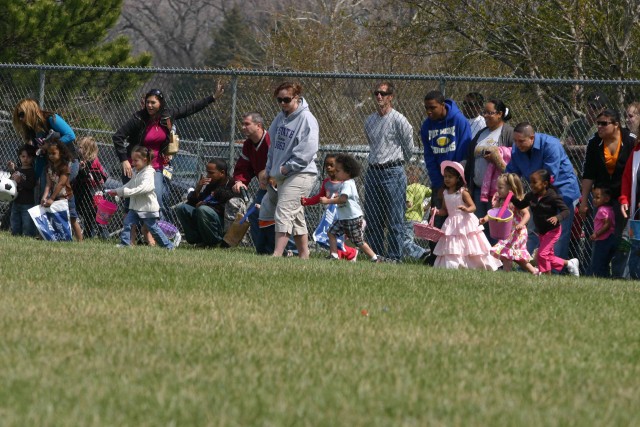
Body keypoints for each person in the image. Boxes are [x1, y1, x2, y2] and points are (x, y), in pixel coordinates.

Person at [112, 83, 224, 223]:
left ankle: (156, 235)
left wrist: (212, 98)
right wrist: (124, 160)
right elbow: (118, 136)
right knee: (131, 202)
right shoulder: (139, 118)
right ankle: (129, 237)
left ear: (161, 103)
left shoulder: (167, 116)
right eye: (147, 102)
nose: (149, 106)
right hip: (135, 165)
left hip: (156, 165)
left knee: (157, 199)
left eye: (153, 102)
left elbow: (190, 108)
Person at [506, 122, 580, 260]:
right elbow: (511, 173)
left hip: (562, 192)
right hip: (538, 192)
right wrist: (505, 191)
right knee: (534, 231)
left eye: (521, 141)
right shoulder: (517, 149)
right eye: (515, 141)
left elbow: (549, 176)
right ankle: (525, 266)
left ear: (532, 138)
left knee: (558, 233)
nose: (517, 144)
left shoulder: (551, 145)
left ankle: (555, 270)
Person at [264, 82, 319, 259]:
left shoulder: (307, 119)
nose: (282, 104)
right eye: (279, 100)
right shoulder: (279, 118)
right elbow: (272, 146)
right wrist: (269, 170)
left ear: (296, 97)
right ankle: (304, 255)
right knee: (296, 216)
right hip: (282, 174)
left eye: (286, 100)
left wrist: (285, 168)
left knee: (284, 211)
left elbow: (307, 152)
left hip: (301, 173)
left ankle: (277, 254)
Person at [579, 110, 634, 278]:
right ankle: (597, 273)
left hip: (623, 198)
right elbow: (588, 174)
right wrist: (583, 201)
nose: (599, 127)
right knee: (600, 237)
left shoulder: (630, 141)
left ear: (616, 124)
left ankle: (620, 275)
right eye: (598, 123)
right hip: (601, 199)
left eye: (604, 123)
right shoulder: (594, 142)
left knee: (622, 238)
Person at [363, 81, 415, 262]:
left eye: (383, 94)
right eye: (376, 93)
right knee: (373, 218)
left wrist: (397, 162)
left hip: (393, 171)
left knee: (394, 220)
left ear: (391, 97)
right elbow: (373, 144)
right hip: (373, 171)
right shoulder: (369, 120)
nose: (379, 96)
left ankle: (394, 257)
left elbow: (409, 148)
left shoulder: (399, 120)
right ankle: (377, 255)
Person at [432, 161, 501, 270]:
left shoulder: (463, 192)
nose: (447, 179)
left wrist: (467, 209)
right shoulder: (445, 193)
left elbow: (473, 207)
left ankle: (473, 264)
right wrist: (437, 212)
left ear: (458, 178)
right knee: (454, 245)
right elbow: (445, 210)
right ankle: (454, 264)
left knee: (470, 244)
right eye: (445, 176)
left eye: (450, 177)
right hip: (451, 223)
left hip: (465, 222)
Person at [511, 169, 580, 276]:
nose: (531, 185)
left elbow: (566, 210)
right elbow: (520, 205)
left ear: (545, 184)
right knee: (548, 257)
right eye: (530, 182)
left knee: (542, 254)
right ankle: (570, 263)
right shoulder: (531, 196)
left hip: (553, 231)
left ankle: (547, 276)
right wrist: (512, 198)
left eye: (535, 182)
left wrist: (557, 218)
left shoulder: (552, 196)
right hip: (542, 232)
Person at [107, 146, 174, 250]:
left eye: (135, 160)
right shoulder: (136, 172)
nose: (132, 163)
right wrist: (117, 191)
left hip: (147, 207)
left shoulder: (149, 172)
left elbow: (145, 188)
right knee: (127, 222)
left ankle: (168, 246)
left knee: (153, 228)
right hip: (135, 207)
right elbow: (129, 185)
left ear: (145, 160)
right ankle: (125, 244)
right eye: (132, 160)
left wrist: (127, 193)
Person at [323, 154, 386, 263]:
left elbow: (343, 199)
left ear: (347, 172)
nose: (335, 172)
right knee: (331, 232)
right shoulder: (345, 184)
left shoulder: (348, 184)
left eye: (338, 171)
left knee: (358, 241)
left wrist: (328, 201)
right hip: (344, 218)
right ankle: (333, 255)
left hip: (352, 218)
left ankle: (375, 258)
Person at [464, 98, 514, 232]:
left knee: (496, 230)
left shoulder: (508, 133)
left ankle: (495, 253)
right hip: (478, 190)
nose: (485, 116)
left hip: (499, 193)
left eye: (490, 113)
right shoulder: (481, 133)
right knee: (479, 228)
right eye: (484, 113)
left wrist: (496, 159)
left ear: (500, 114)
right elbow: (470, 158)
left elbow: (514, 163)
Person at [12, 98, 77, 198]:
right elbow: (40, 157)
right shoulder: (32, 131)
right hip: (50, 166)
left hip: (67, 162)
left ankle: (70, 214)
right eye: (18, 116)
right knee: (44, 196)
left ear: (30, 111)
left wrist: (49, 146)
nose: (20, 119)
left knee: (59, 196)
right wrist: (34, 178)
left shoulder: (50, 118)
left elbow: (70, 135)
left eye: (22, 114)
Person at [301, 153, 358, 261]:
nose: (328, 167)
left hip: (345, 216)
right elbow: (320, 197)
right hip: (330, 217)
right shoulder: (326, 183)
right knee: (327, 237)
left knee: (337, 238)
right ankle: (347, 254)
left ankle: (348, 253)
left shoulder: (345, 183)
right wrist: (307, 201)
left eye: (331, 165)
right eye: (326, 165)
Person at [480, 173, 536, 274]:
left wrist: (521, 224)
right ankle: (534, 271)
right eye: (497, 187)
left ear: (510, 188)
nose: (498, 190)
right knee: (512, 256)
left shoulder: (516, 201)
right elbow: (494, 213)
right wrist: (484, 219)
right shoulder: (500, 201)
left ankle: (508, 273)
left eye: (500, 187)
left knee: (508, 253)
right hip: (508, 232)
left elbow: (527, 214)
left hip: (518, 232)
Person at [232, 112, 271, 254]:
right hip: (265, 187)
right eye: (243, 124)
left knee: (280, 216)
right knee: (254, 213)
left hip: (279, 186)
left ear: (258, 126)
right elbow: (243, 167)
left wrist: (270, 176)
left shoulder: (270, 140)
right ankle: (262, 251)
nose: (243, 127)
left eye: (247, 124)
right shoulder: (248, 145)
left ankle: (290, 250)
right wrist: (240, 181)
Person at [175, 158, 235, 248]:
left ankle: (214, 242)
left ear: (222, 173)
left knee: (203, 209)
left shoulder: (232, 185)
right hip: (205, 214)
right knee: (181, 208)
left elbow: (227, 209)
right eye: (207, 172)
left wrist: (206, 204)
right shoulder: (212, 184)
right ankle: (198, 240)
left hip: (223, 223)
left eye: (211, 173)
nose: (208, 175)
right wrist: (198, 189)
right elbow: (194, 203)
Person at [41, 139, 83, 242]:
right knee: (56, 219)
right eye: (49, 153)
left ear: (61, 153)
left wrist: (51, 198)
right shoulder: (49, 167)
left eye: (54, 153)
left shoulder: (65, 167)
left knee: (73, 219)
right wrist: (44, 196)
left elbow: (61, 184)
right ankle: (59, 238)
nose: (51, 156)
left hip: (66, 197)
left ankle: (80, 242)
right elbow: (48, 184)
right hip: (55, 197)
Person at [74, 136, 109, 239]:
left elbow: (103, 176)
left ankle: (105, 237)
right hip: (84, 192)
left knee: (99, 218)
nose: (78, 149)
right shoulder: (80, 159)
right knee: (87, 215)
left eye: (81, 147)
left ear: (87, 149)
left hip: (94, 193)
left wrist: (83, 169)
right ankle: (88, 235)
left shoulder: (94, 161)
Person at [7, 144, 37, 236]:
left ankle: (28, 236)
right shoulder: (18, 169)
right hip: (16, 202)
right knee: (15, 222)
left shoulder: (32, 171)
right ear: (19, 157)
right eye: (23, 156)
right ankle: (15, 235)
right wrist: (12, 171)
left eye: (28, 157)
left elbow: (31, 185)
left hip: (27, 203)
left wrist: (21, 180)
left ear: (32, 158)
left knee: (27, 224)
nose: (25, 159)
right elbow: (10, 184)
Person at [587, 185, 616, 277]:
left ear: (606, 199)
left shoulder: (602, 210)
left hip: (603, 240)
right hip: (610, 238)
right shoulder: (610, 209)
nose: (594, 199)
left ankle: (597, 276)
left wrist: (596, 234)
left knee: (598, 262)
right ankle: (605, 276)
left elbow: (607, 224)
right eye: (593, 197)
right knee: (605, 262)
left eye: (597, 197)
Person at [403, 164, 431, 262]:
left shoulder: (409, 188)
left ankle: (422, 252)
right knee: (408, 239)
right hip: (418, 217)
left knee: (405, 241)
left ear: (411, 177)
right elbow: (434, 193)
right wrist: (427, 206)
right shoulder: (422, 187)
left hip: (408, 217)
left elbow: (409, 204)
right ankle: (409, 256)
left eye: (407, 175)